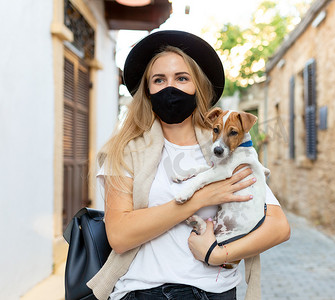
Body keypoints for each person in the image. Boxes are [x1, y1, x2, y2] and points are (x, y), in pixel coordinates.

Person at [87, 30, 290, 300]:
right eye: (159, 80)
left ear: (198, 87)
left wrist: (217, 253)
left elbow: (278, 227)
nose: (170, 88)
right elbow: (120, 235)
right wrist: (199, 198)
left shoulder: (227, 151)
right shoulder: (126, 151)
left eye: (182, 78)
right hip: (143, 292)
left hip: (214, 293)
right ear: (147, 91)